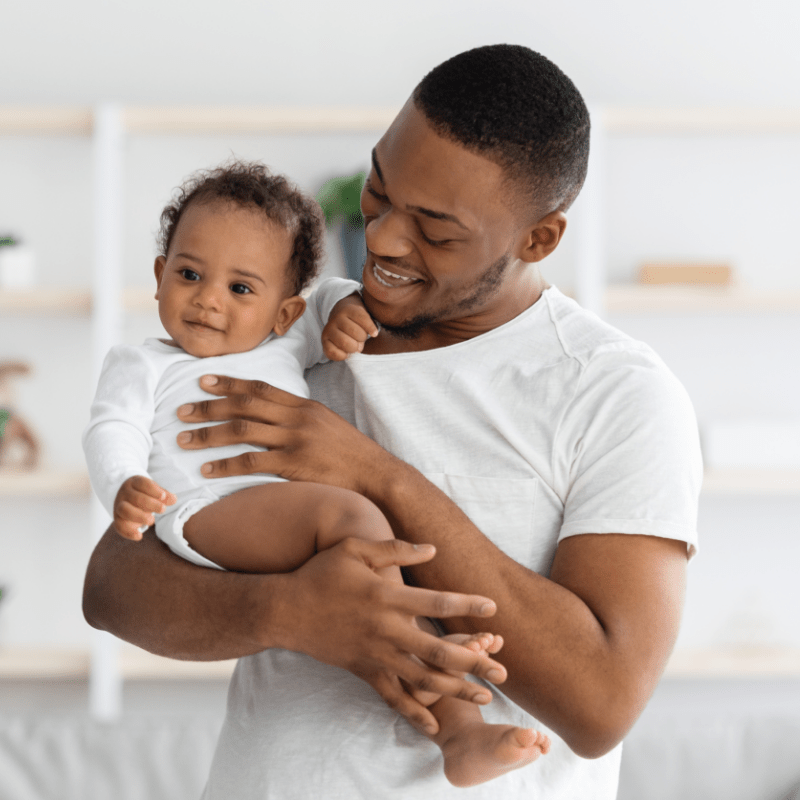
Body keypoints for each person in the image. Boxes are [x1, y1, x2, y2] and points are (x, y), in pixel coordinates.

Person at [83, 44, 702, 799]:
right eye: (379, 192)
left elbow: (603, 704)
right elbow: (114, 583)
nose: (381, 240)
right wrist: (287, 611)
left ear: (537, 239)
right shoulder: (288, 329)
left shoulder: (614, 394)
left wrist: (373, 474)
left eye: (436, 231)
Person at [82, 160, 550, 787]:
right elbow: (111, 428)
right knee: (352, 518)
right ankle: (453, 703)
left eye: (241, 289)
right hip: (202, 512)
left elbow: (335, 304)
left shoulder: (284, 341)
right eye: (190, 275)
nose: (210, 300)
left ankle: (459, 728)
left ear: (283, 312)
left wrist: (344, 315)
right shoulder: (141, 363)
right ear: (161, 276)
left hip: (272, 516)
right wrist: (122, 485)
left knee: (363, 580)